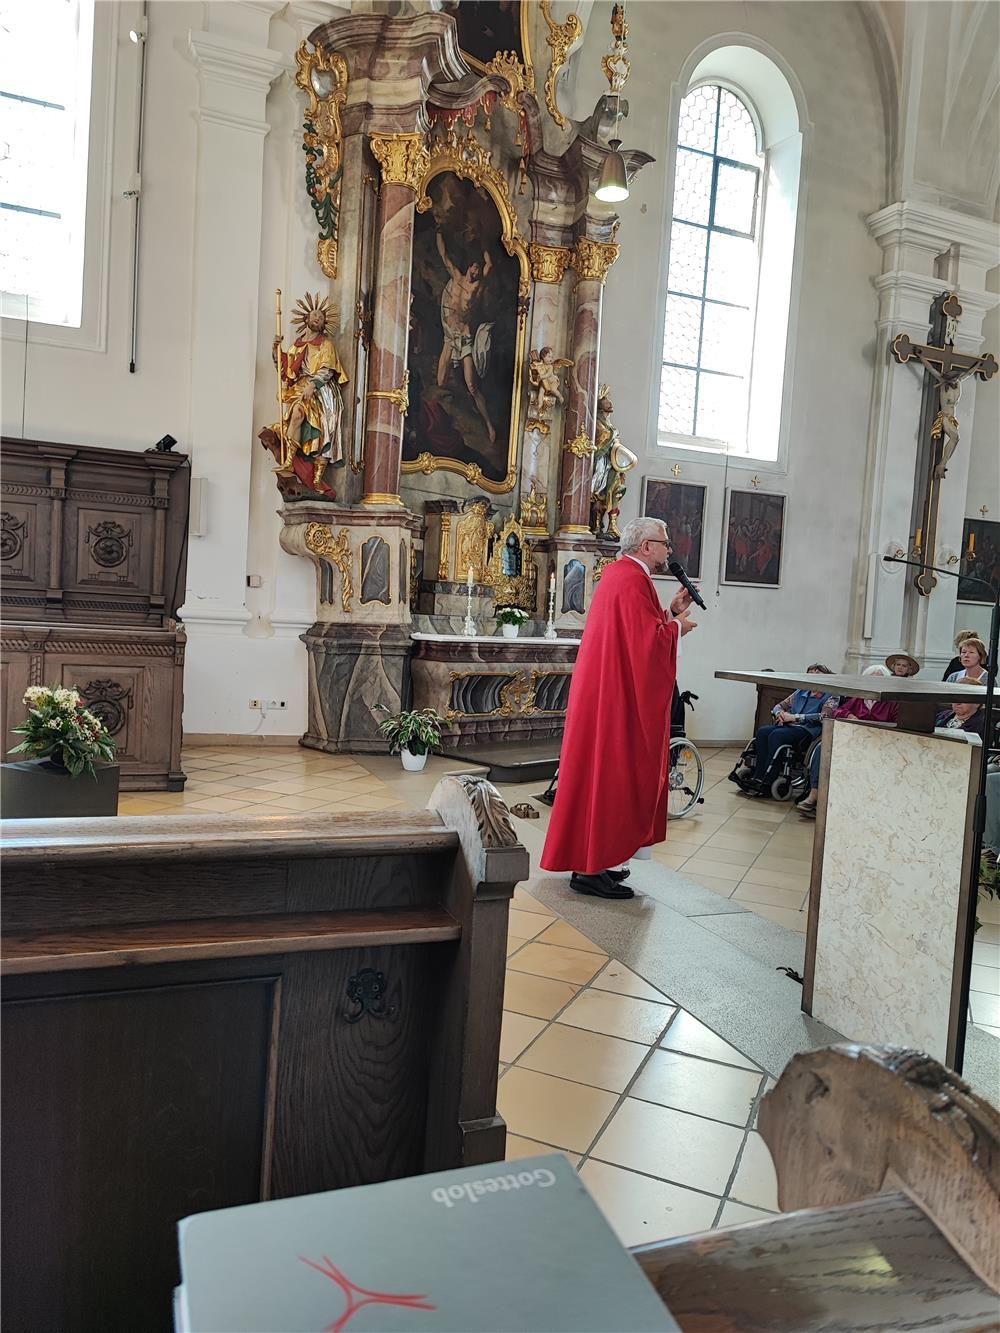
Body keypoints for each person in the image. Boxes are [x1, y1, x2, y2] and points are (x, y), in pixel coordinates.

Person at [540, 516, 697, 899]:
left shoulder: (621, 575)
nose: (668, 550)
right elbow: (646, 647)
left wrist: (670, 615)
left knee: (602, 778)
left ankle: (599, 862)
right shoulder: (631, 578)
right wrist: (677, 629)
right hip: (615, 703)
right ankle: (592, 868)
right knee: (611, 778)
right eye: (664, 542)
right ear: (645, 546)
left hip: (607, 695)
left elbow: (635, 635)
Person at [272, 293, 349, 491]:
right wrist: (275, 349)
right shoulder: (296, 347)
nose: (317, 318)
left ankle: (317, 478)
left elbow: (328, 369)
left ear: (323, 324)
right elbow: (285, 369)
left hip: (323, 392)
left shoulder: (326, 345)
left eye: (321, 317)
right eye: (314, 315)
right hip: (302, 388)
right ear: (306, 319)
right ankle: (288, 461)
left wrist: (313, 385)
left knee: (324, 433)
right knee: (296, 415)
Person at [796, 665, 895, 817]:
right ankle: (814, 794)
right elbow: (838, 711)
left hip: (877, 742)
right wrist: (849, 715)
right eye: (871, 679)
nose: (874, 683)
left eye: (879, 680)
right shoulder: (859, 698)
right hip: (851, 738)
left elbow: (896, 723)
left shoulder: (891, 703)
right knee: (822, 749)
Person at [733, 665, 838, 797]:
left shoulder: (831, 696)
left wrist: (795, 717)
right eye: (811, 673)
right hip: (789, 725)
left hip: (807, 730)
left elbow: (824, 716)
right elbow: (779, 705)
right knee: (763, 731)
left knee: (776, 735)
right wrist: (779, 714)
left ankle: (769, 780)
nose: (813, 675)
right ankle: (758, 776)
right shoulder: (801, 691)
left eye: (818, 673)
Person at [436, 230, 496, 443]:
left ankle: (489, 425)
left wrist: (484, 242)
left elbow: (490, 266)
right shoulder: (456, 278)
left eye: (479, 267)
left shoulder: (477, 288)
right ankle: (459, 398)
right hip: (450, 335)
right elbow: (443, 256)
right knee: (440, 381)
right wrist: (439, 230)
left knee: (472, 385)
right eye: (474, 265)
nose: (477, 269)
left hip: (465, 336)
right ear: (469, 266)